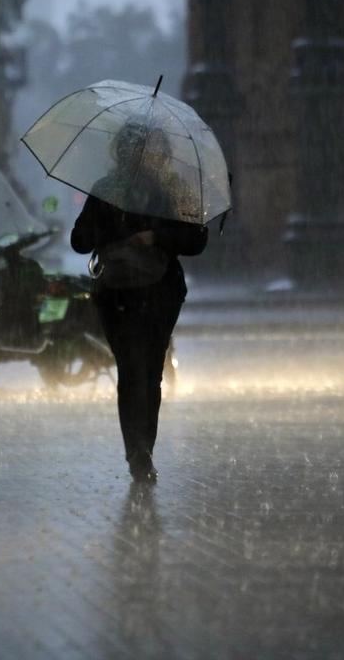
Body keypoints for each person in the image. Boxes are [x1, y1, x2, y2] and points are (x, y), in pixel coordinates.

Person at [71, 126, 207, 483]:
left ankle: (140, 450)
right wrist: (122, 233)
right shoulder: (145, 190)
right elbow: (80, 239)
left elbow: (195, 238)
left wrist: (155, 236)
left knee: (140, 371)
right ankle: (140, 451)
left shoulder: (164, 191)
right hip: (128, 292)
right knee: (141, 371)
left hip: (149, 292)